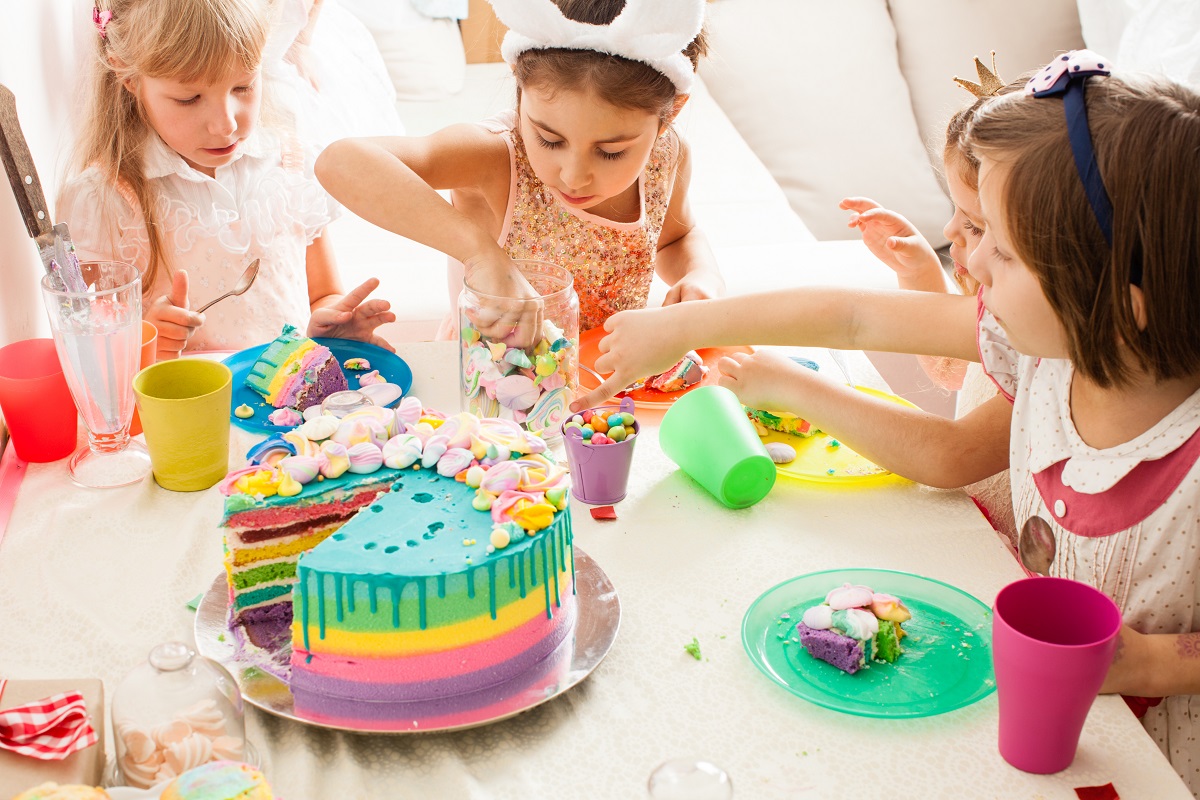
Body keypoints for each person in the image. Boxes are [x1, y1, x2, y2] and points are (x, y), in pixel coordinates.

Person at [581, 52, 1200, 789]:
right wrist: (688, 325)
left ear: (1120, 305)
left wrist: (1152, 661)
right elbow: (853, 314)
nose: (970, 268)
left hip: (1158, 755)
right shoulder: (1049, 348)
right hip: (1034, 714)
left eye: (1001, 251)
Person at [314, 0, 725, 345]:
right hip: (491, 392)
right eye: (549, 139)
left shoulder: (667, 156)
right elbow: (341, 160)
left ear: (670, 115)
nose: (574, 175)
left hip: (610, 390)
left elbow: (676, 239)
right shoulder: (494, 156)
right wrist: (480, 253)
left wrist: (699, 274)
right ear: (519, 83)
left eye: (611, 152)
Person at [59, 0, 395, 360]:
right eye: (189, 99)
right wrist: (148, 340)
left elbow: (322, 294)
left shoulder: (291, 166)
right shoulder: (106, 199)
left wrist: (332, 326)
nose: (226, 124)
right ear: (129, 79)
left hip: (284, 408)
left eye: (243, 87)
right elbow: (94, 357)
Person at [837, 55, 1026, 550]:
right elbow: (954, 370)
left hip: (1008, 552)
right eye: (955, 212)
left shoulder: (1042, 337)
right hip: (971, 525)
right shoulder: (1004, 296)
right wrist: (919, 271)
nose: (950, 233)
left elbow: (952, 452)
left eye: (977, 225)